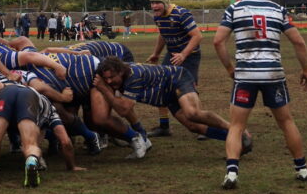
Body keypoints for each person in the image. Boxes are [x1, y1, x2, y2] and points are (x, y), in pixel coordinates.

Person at [213, 0, 307, 189]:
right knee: (286, 122)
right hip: (273, 74)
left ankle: (231, 173)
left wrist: (230, 68)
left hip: (246, 74)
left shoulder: (234, 9)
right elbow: (298, 41)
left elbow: (218, 41)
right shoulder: (278, 10)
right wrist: (305, 70)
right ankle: (302, 169)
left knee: (237, 126)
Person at [94, 57, 250, 155]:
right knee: (195, 127)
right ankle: (237, 142)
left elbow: (124, 109)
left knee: (192, 113)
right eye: (106, 79)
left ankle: (236, 130)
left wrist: (102, 89)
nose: (109, 82)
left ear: (120, 72)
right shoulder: (120, 75)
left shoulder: (133, 77)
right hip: (167, 95)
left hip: (178, 78)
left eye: (112, 78)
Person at [0, 82, 84, 187]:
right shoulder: (51, 111)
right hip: (28, 99)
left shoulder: (37, 99)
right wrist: (71, 166)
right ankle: (31, 161)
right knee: (30, 143)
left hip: (6, 92)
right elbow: (65, 141)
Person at [146, 0, 202, 138]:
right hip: (172, 55)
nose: (154, 6)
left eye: (157, 3)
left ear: (165, 2)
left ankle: (202, 126)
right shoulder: (157, 17)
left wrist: (184, 54)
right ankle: (164, 126)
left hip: (190, 56)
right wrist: (156, 54)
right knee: (160, 85)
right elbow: (163, 35)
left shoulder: (181, 14)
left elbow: (197, 36)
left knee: (190, 89)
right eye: (152, 3)